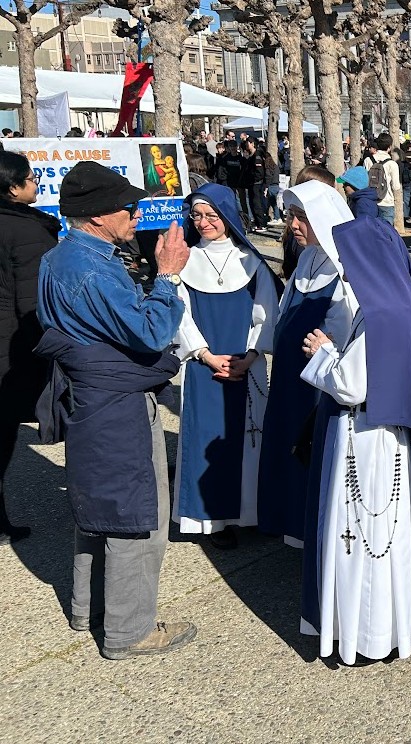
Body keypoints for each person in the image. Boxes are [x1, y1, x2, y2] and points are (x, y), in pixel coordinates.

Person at [36, 161, 196, 659]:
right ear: (99, 215)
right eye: (129, 207)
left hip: (91, 398)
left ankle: (89, 610)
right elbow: (151, 332)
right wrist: (166, 277)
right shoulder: (90, 269)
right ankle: (129, 631)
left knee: (100, 509)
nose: (137, 214)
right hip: (117, 402)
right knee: (135, 515)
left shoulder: (60, 257)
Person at [298, 198, 411, 665]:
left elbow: (351, 385)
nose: (344, 268)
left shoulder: (382, 314)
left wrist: (322, 352)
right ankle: (377, 630)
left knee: (362, 537)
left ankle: (366, 635)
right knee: (378, 540)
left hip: (368, 441)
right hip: (382, 439)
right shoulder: (395, 303)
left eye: (349, 259)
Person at [171, 184, 280, 549]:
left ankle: (250, 514)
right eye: (197, 216)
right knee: (205, 437)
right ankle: (212, 521)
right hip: (204, 367)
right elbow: (180, 316)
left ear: (227, 216)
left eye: (211, 215)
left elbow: (265, 315)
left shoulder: (252, 263)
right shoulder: (185, 261)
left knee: (249, 437)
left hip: (246, 366)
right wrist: (205, 355)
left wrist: (249, 357)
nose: (203, 223)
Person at [257, 181, 357, 546]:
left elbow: (348, 334)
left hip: (317, 384)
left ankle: (309, 529)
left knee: (309, 450)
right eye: (291, 216)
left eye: (302, 217)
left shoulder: (345, 268)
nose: (293, 225)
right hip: (289, 376)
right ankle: (286, 520)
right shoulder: (307, 258)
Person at [0, 152, 59, 544]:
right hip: (13, 346)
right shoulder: (27, 231)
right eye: (32, 178)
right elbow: (33, 305)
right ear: (13, 188)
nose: (36, 183)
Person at [362, 132, 401, 227]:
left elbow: (364, 181)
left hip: (371, 200)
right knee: (386, 231)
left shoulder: (368, 160)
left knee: (372, 231)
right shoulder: (392, 164)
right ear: (389, 147)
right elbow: (396, 187)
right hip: (387, 202)